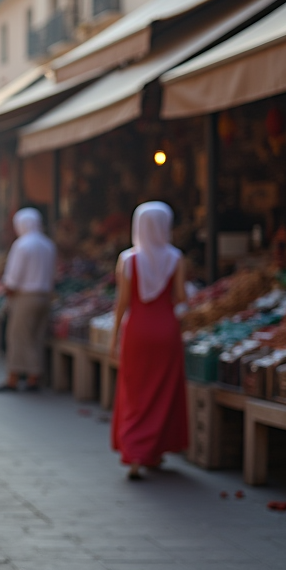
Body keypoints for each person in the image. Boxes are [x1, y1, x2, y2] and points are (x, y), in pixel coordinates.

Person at [109, 202, 188, 481]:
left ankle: (135, 453)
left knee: (135, 393)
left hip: (137, 332)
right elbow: (180, 297)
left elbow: (123, 303)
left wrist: (114, 337)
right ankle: (154, 451)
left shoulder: (128, 260)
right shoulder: (176, 258)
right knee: (163, 392)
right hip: (166, 330)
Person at [0, 208, 56, 393]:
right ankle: (32, 377)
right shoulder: (48, 244)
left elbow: (12, 279)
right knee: (36, 338)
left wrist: (6, 293)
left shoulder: (22, 245)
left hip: (25, 297)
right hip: (45, 297)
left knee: (19, 338)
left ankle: (15, 378)